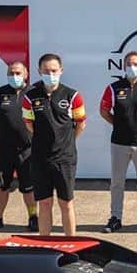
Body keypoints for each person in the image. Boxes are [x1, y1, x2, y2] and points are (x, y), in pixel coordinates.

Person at [22, 54, 86, 236]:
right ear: (39, 72)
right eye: (46, 71)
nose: (50, 74)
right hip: (40, 158)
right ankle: (44, 247)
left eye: (53, 70)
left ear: (61, 71)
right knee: (44, 203)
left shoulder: (73, 95)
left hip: (65, 158)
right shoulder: (30, 97)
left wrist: (66, 141)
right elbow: (29, 124)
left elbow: (80, 123)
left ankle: (72, 246)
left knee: (66, 203)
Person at [100, 50, 137, 234]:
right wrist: (117, 124)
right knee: (117, 183)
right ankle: (115, 217)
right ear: (124, 66)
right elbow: (104, 111)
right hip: (119, 143)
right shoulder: (113, 88)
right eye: (129, 64)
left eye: (136, 64)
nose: (132, 67)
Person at [0, 60, 37, 232]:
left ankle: (33, 217)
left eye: (18, 73)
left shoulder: (35, 93)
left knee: (28, 188)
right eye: (11, 73)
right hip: (4, 149)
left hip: (27, 150)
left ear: (26, 74)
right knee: (1, 186)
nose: (14, 76)